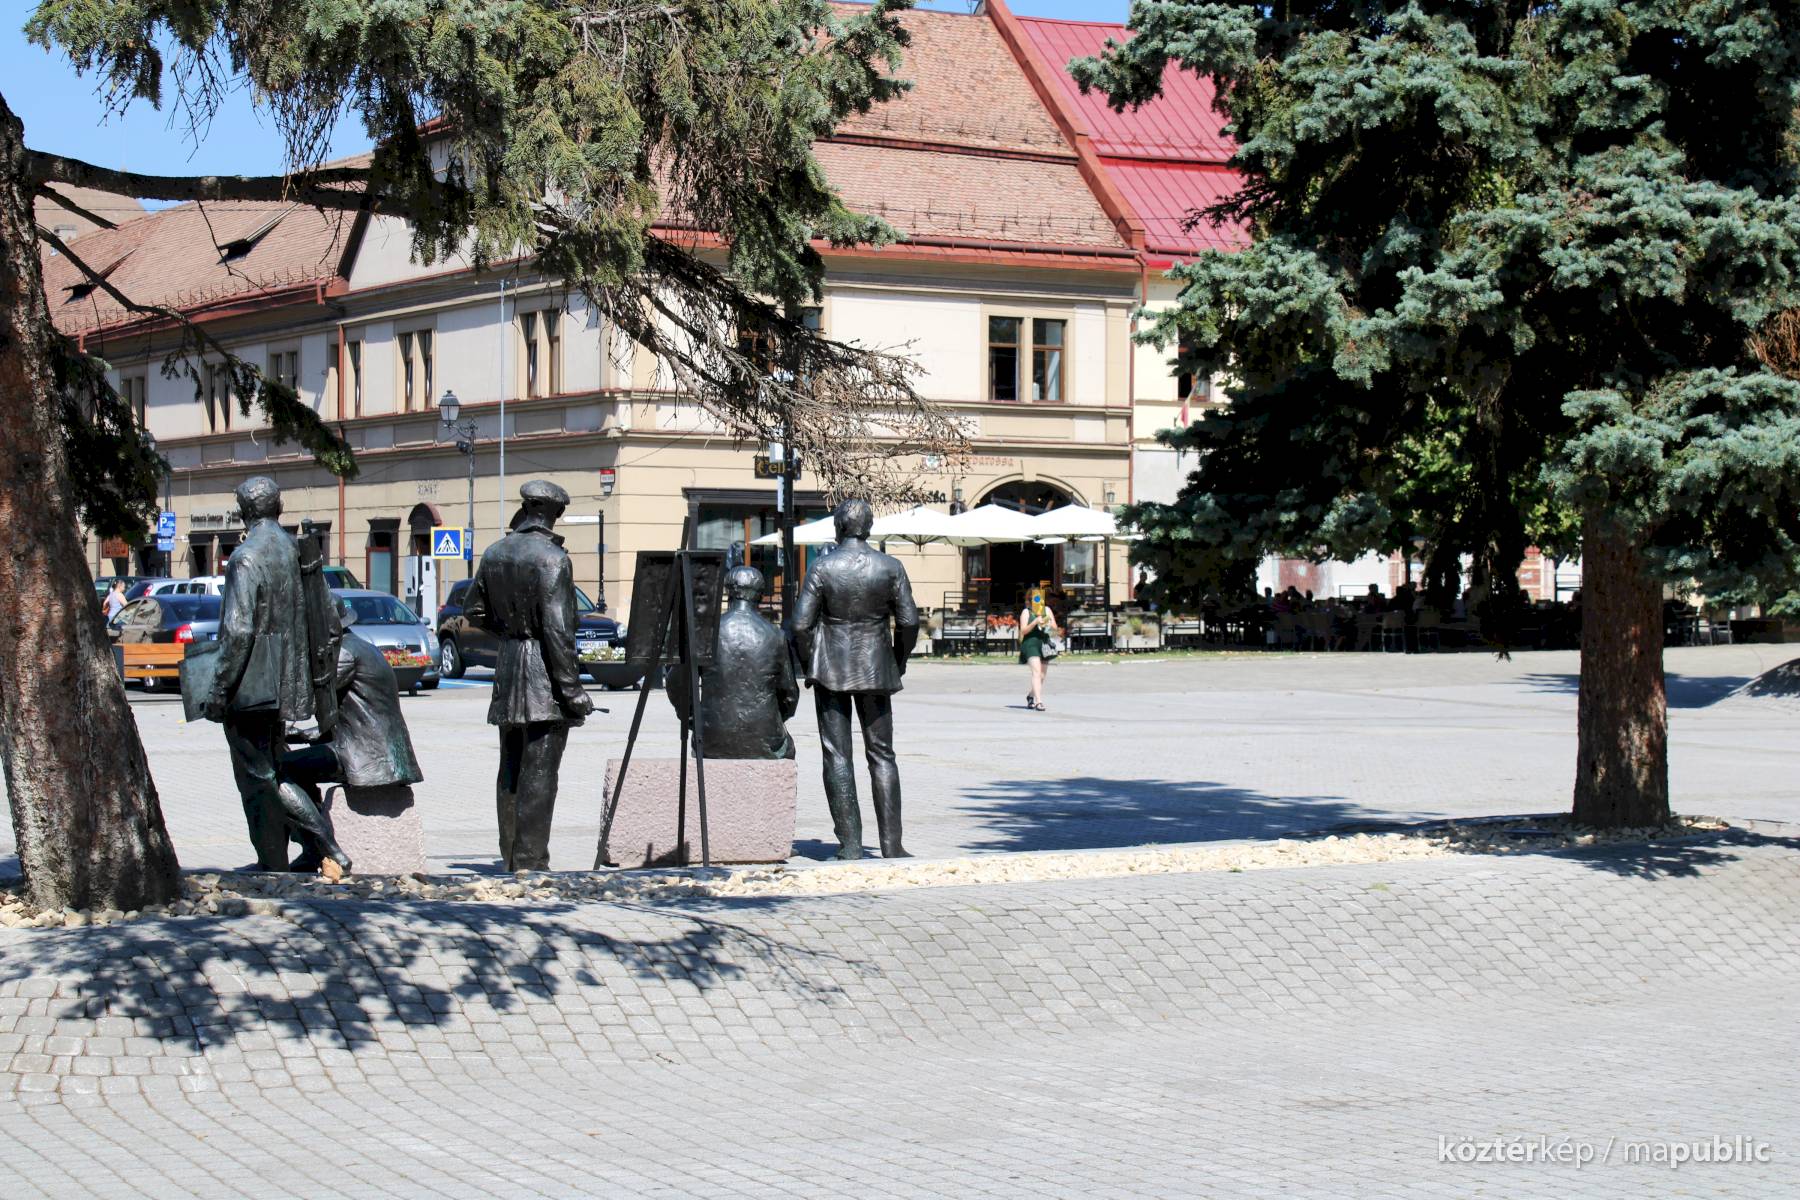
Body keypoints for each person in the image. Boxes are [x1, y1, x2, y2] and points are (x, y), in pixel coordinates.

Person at [203, 476, 350, 877]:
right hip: (289, 683)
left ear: (243, 513)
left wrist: (218, 690)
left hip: (252, 687)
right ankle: (293, 855)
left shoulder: (245, 557)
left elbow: (238, 631)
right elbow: (329, 620)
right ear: (279, 508)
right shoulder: (296, 551)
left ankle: (303, 853)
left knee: (259, 777)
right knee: (273, 767)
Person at [464, 480, 593, 872]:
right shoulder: (553, 559)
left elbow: (473, 610)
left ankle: (511, 855)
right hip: (541, 676)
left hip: (509, 666)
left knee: (510, 766)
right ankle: (531, 860)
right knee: (539, 770)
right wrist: (573, 691)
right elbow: (557, 630)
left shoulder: (495, 552)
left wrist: (509, 634)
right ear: (553, 513)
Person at [792, 498, 919, 860]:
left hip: (831, 667)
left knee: (837, 754)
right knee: (883, 755)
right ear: (869, 527)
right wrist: (898, 660)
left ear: (838, 527)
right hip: (876, 665)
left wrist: (810, 663)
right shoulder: (890, 567)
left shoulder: (822, 567)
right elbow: (909, 622)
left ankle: (850, 845)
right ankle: (892, 845)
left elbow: (800, 625)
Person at [282, 601, 425, 871]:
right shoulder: (362, 647)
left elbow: (309, 700)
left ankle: (325, 849)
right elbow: (353, 716)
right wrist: (300, 734)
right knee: (301, 767)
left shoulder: (345, 654)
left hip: (365, 756)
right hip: (372, 749)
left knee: (279, 772)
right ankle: (314, 850)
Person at [665, 565, 799, 759]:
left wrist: (695, 719)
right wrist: (771, 720)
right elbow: (790, 695)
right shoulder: (776, 636)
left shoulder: (706, 633)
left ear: (728, 593)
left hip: (711, 737)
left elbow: (676, 683)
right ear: (760, 595)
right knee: (786, 749)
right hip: (764, 738)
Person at [1018, 586, 1060, 712]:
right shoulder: (1026, 612)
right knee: (1036, 672)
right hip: (1030, 644)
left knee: (1042, 675)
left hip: (1044, 643)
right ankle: (1039, 702)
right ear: (1030, 599)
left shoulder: (1047, 610)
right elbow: (1023, 631)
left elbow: (1055, 628)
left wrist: (1048, 623)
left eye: (1039, 598)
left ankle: (1031, 696)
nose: (1037, 601)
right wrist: (1035, 622)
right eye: (1034, 598)